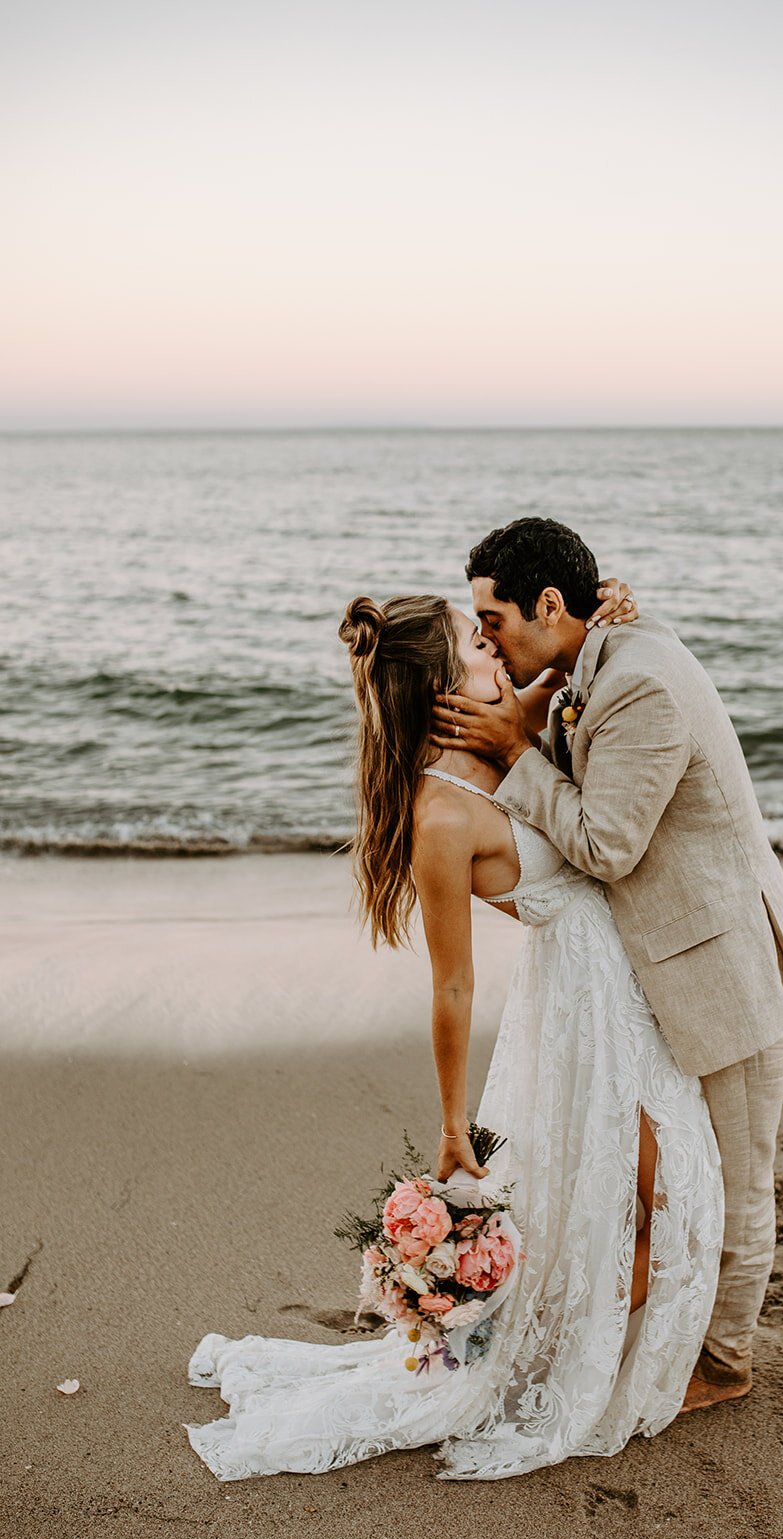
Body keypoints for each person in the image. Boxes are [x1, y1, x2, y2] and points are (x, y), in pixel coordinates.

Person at [182, 587, 723, 1482]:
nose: (492, 646)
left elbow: (562, 678)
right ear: (441, 682)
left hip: (618, 980)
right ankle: (578, 1371)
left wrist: (610, 613)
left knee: (645, 1196)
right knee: (641, 1196)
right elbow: (452, 985)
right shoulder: (440, 814)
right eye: (476, 641)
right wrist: (448, 1124)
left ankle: (597, 1357)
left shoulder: (492, 731)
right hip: (581, 1006)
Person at [430, 517, 783, 1412]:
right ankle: (673, 1329)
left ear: (549, 604)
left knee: (739, 1180)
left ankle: (724, 1365)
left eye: (493, 620)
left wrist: (511, 755)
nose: (485, 637)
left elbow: (606, 846)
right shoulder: (602, 651)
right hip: (675, 964)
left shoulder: (637, 683)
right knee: (684, 1179)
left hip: (731, 970)